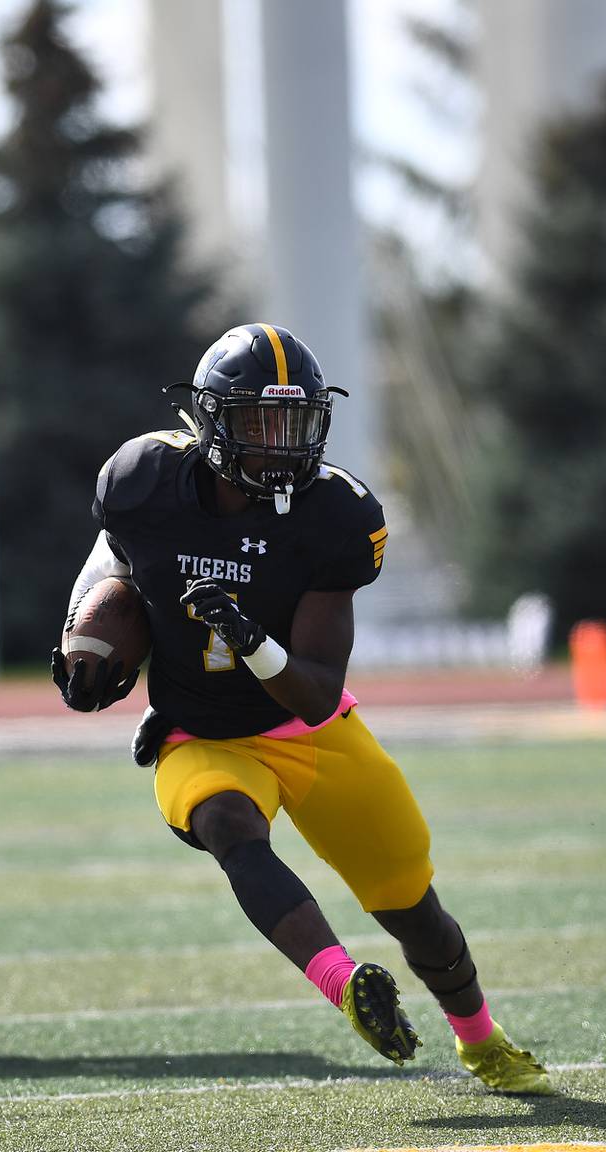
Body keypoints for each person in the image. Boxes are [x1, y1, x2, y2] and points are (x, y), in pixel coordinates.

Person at [54, 323, 552, 1095]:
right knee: (227, 827)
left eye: (295, 422)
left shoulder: (335, 515)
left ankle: (481, 1038)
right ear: (212, 422)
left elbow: (318, 691)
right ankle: (344, 982)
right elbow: (116, 557)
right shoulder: (143, 479)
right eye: (259, 422)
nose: (281, 443)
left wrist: (247, 637)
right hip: (198, 732)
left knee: (413, 906)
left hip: (308, 731)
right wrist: (80, 632)